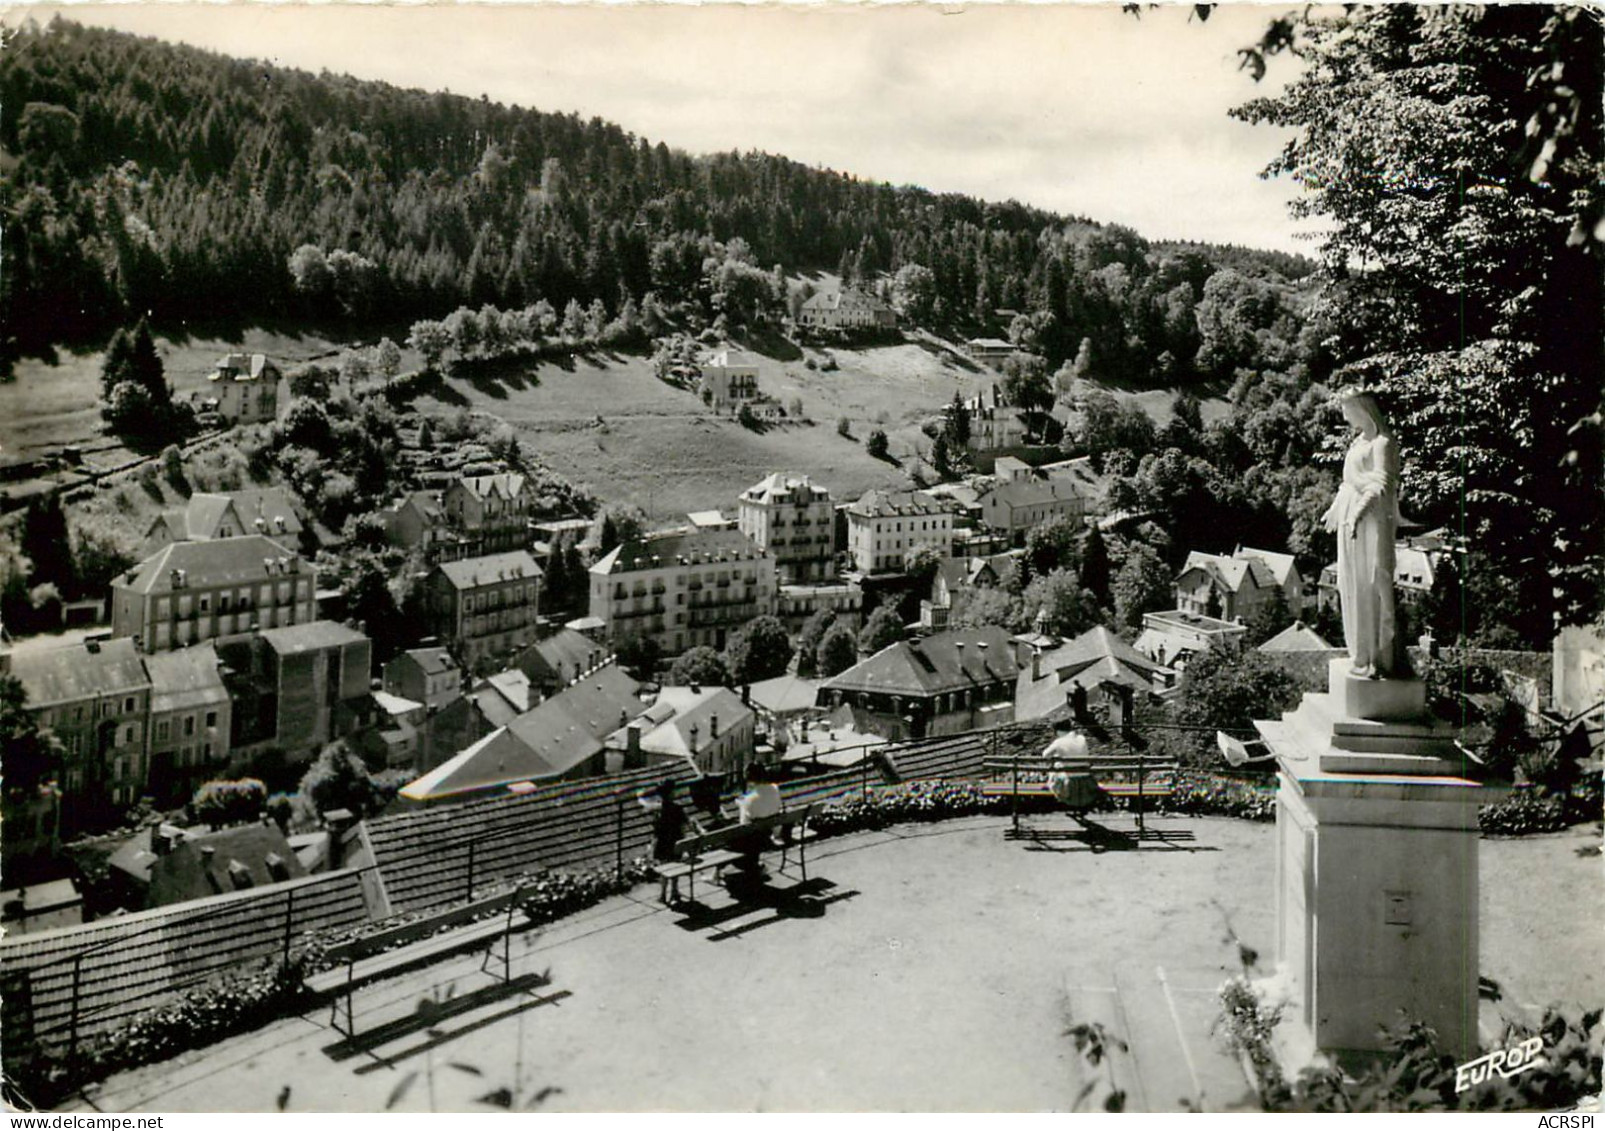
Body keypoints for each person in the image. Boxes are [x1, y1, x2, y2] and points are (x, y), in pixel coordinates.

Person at [1321, 387, 1405, 679]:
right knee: (1351, 584)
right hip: (1350, 521)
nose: (1345, 417)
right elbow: (1348, 482)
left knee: (1369, 584)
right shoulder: (1358, 442)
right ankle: (1359, 651)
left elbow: (1381, 485)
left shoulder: (1383, 443)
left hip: (1370, 524)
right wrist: (1336, 508)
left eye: (1348, 411)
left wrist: (1357, 513)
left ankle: (1373, 656)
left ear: (1363, 408)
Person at [640, 780, 701, 904]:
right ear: (671, 793)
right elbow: (686, 824)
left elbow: (655, 830)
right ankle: (674, 892)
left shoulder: (658, 810)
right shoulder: (677, 808)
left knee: (664, 869)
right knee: (675, 866)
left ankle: (663, 894)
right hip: (675, 843)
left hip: (662, 845)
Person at [730, 762, 782, 877]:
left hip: (755, 840)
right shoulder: (775, 788)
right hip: (768, 834)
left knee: (730, 837)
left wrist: (741, 804)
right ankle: (754, 866)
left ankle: (719, 873)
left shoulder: (749, 799)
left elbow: (743, 824)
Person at [1043, 720, 1099, 811]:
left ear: (1057, 731)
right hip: (1086, 786)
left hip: (1068, 788)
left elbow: (1045, 755)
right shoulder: (1082, 738)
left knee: (1055, 768)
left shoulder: (1058, 742)